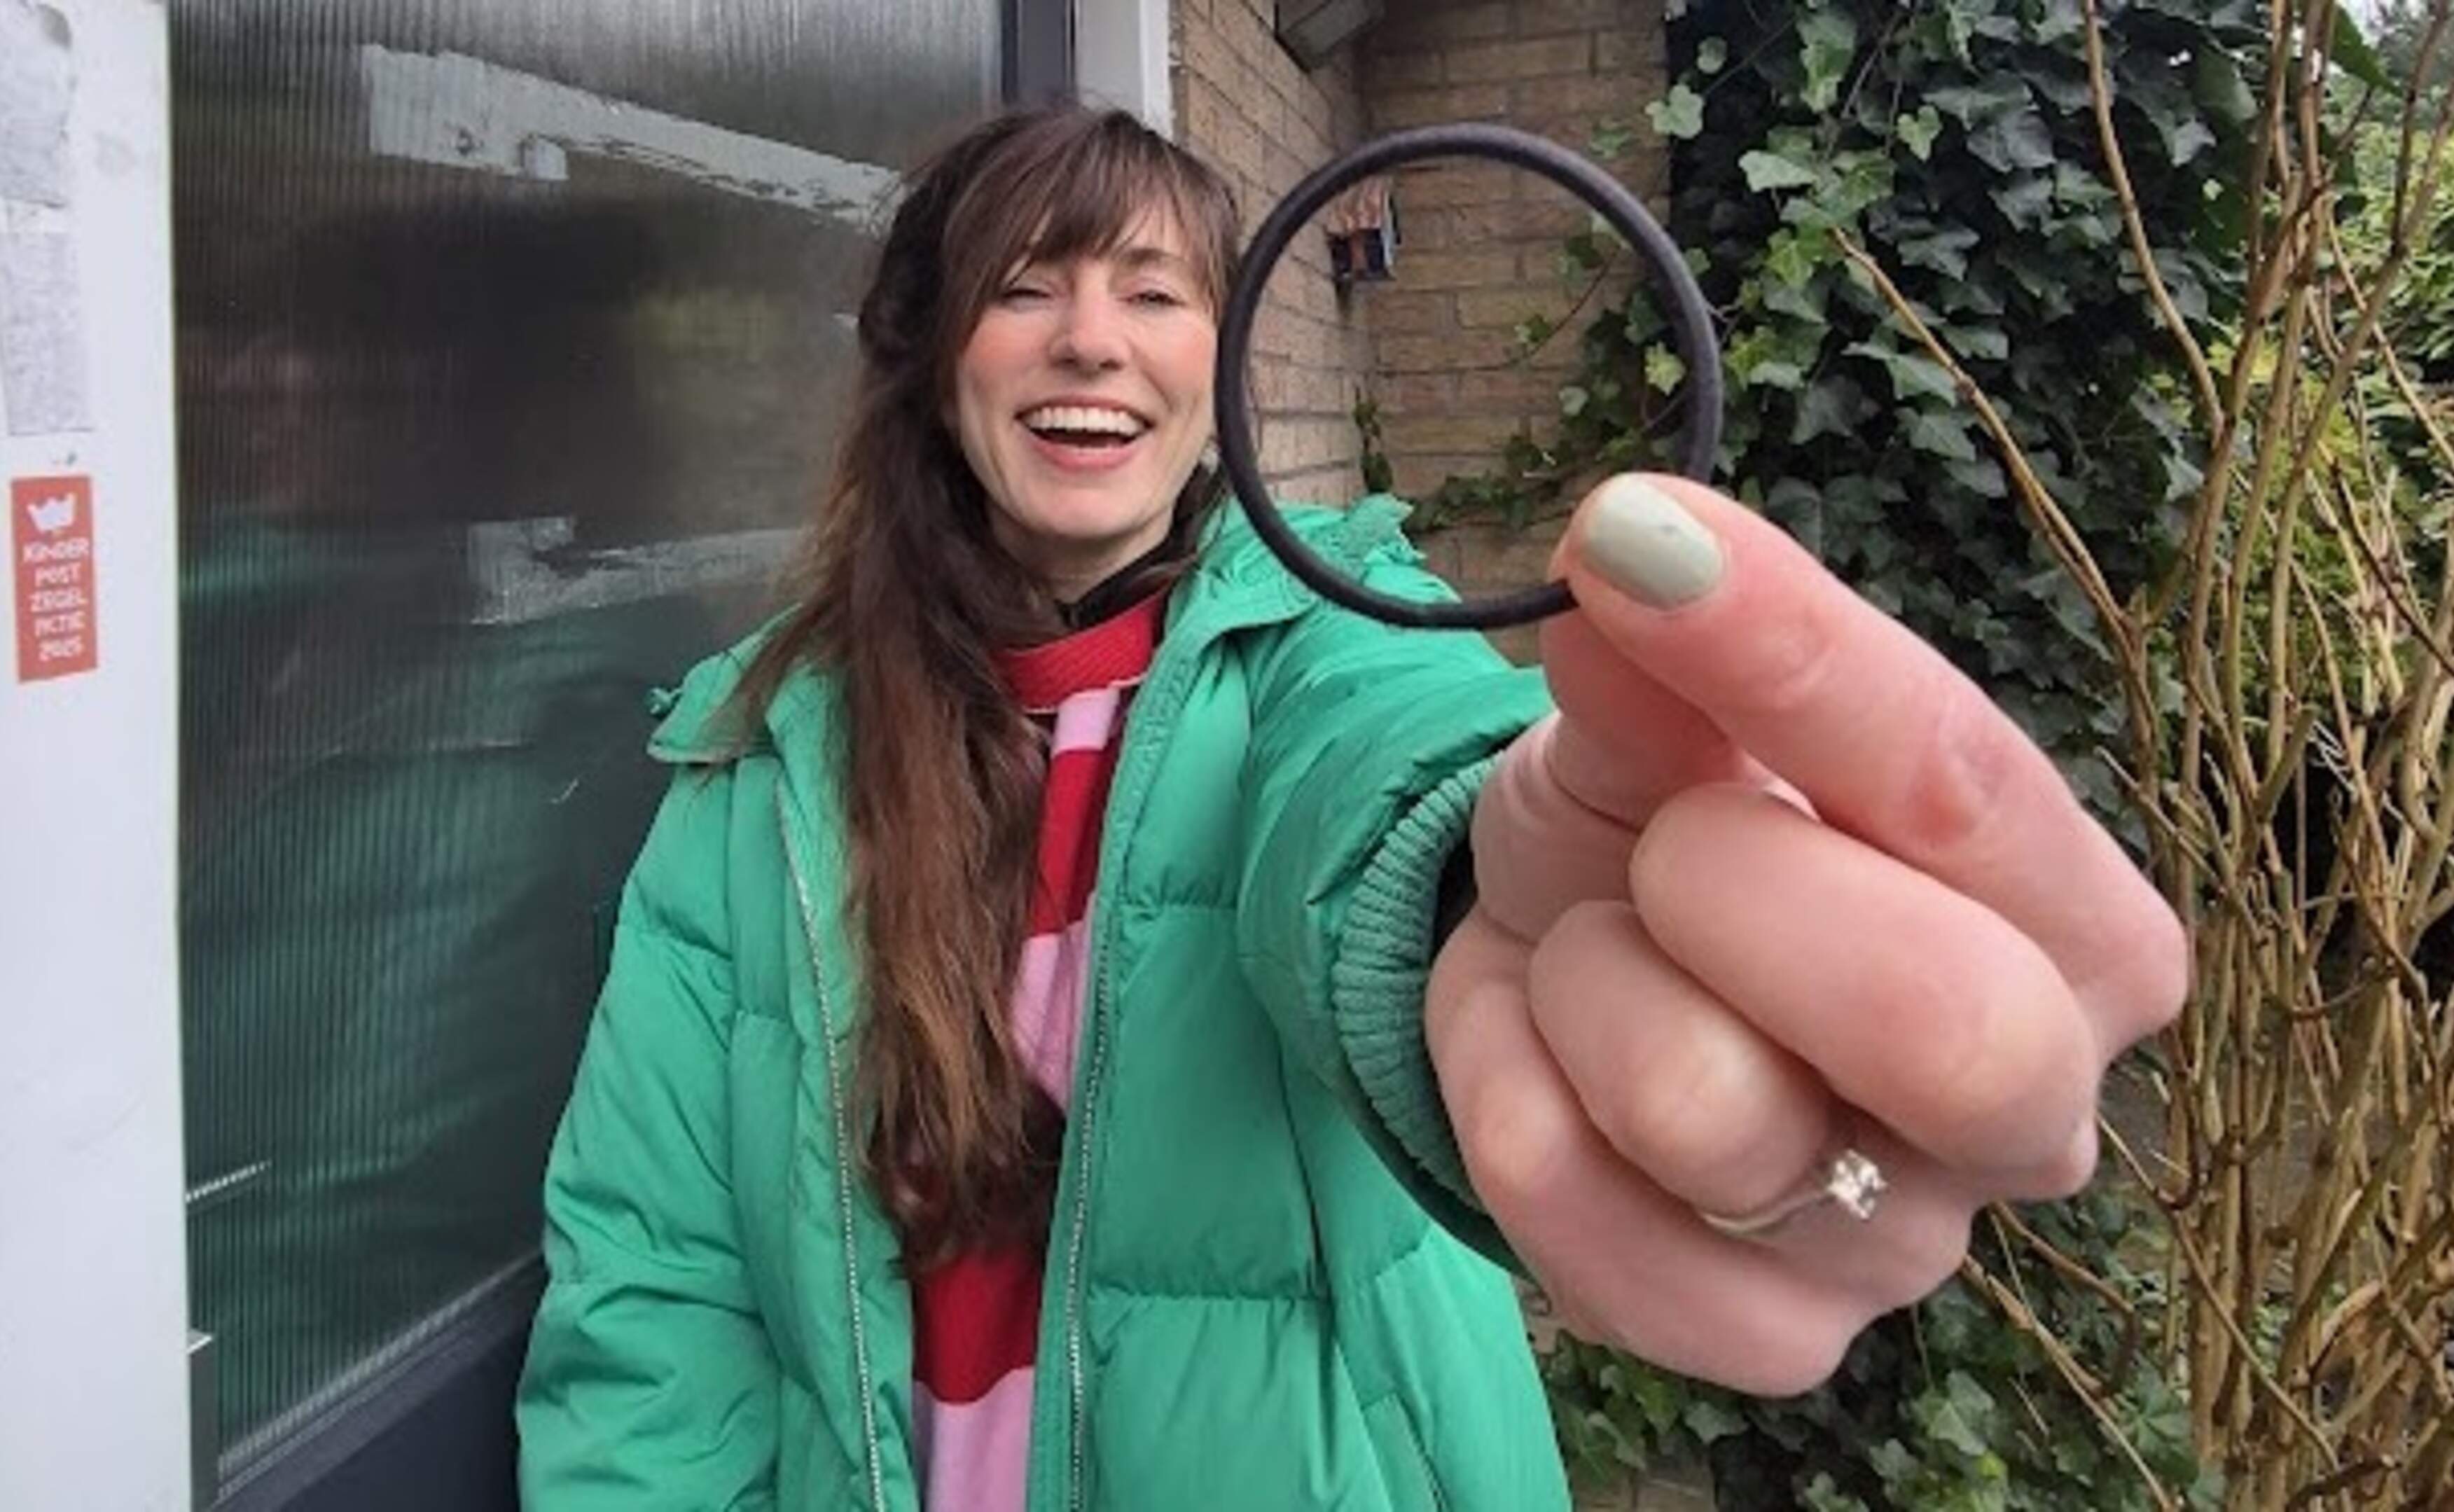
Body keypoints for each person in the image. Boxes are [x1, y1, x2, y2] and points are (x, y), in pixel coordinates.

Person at [514, 106, 2186, 1511]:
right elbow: (649, 1287)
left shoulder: (1343, 643)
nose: (1092, 336)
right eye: (1026, 287)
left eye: (1155, 292)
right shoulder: (751, 760)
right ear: (932, 363)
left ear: (1220, 370)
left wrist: (1482, 905)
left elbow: (1401, 778)